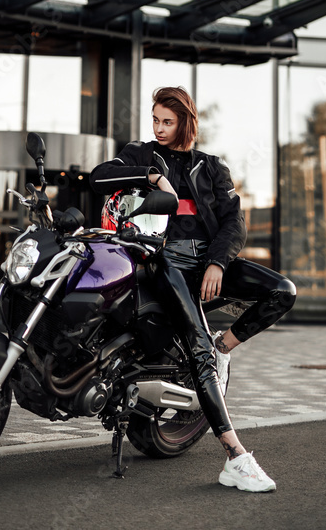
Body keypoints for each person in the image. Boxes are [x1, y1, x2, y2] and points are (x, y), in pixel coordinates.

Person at [90, 85, 297, 493]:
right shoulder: (141, 154)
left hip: (209, 260)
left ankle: (224, 346)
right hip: (163, 259)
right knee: (197, 346)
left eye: (168, 121)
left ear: (186, 122)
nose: (159, 128)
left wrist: (218, 262)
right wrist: (150, 176)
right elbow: (99, 177)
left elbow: (234, 223)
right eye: (155, 119)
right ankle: (236, 457)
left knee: (282, 291)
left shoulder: (212, 168)